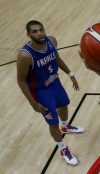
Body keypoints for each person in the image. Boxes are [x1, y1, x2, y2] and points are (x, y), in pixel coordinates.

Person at [17, 20, 85, 166]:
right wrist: (33, 103)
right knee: (53, 122)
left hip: (55, 83)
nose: (39, 33)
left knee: (64, 105)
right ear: (28, 34)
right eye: (34, 31)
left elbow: (57, 59)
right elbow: (21, 80)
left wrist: (70, 74)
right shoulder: (25, 56)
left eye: (41, 30)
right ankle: (63, 148)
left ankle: (65, 126)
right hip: (41, 92)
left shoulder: (52, 42)